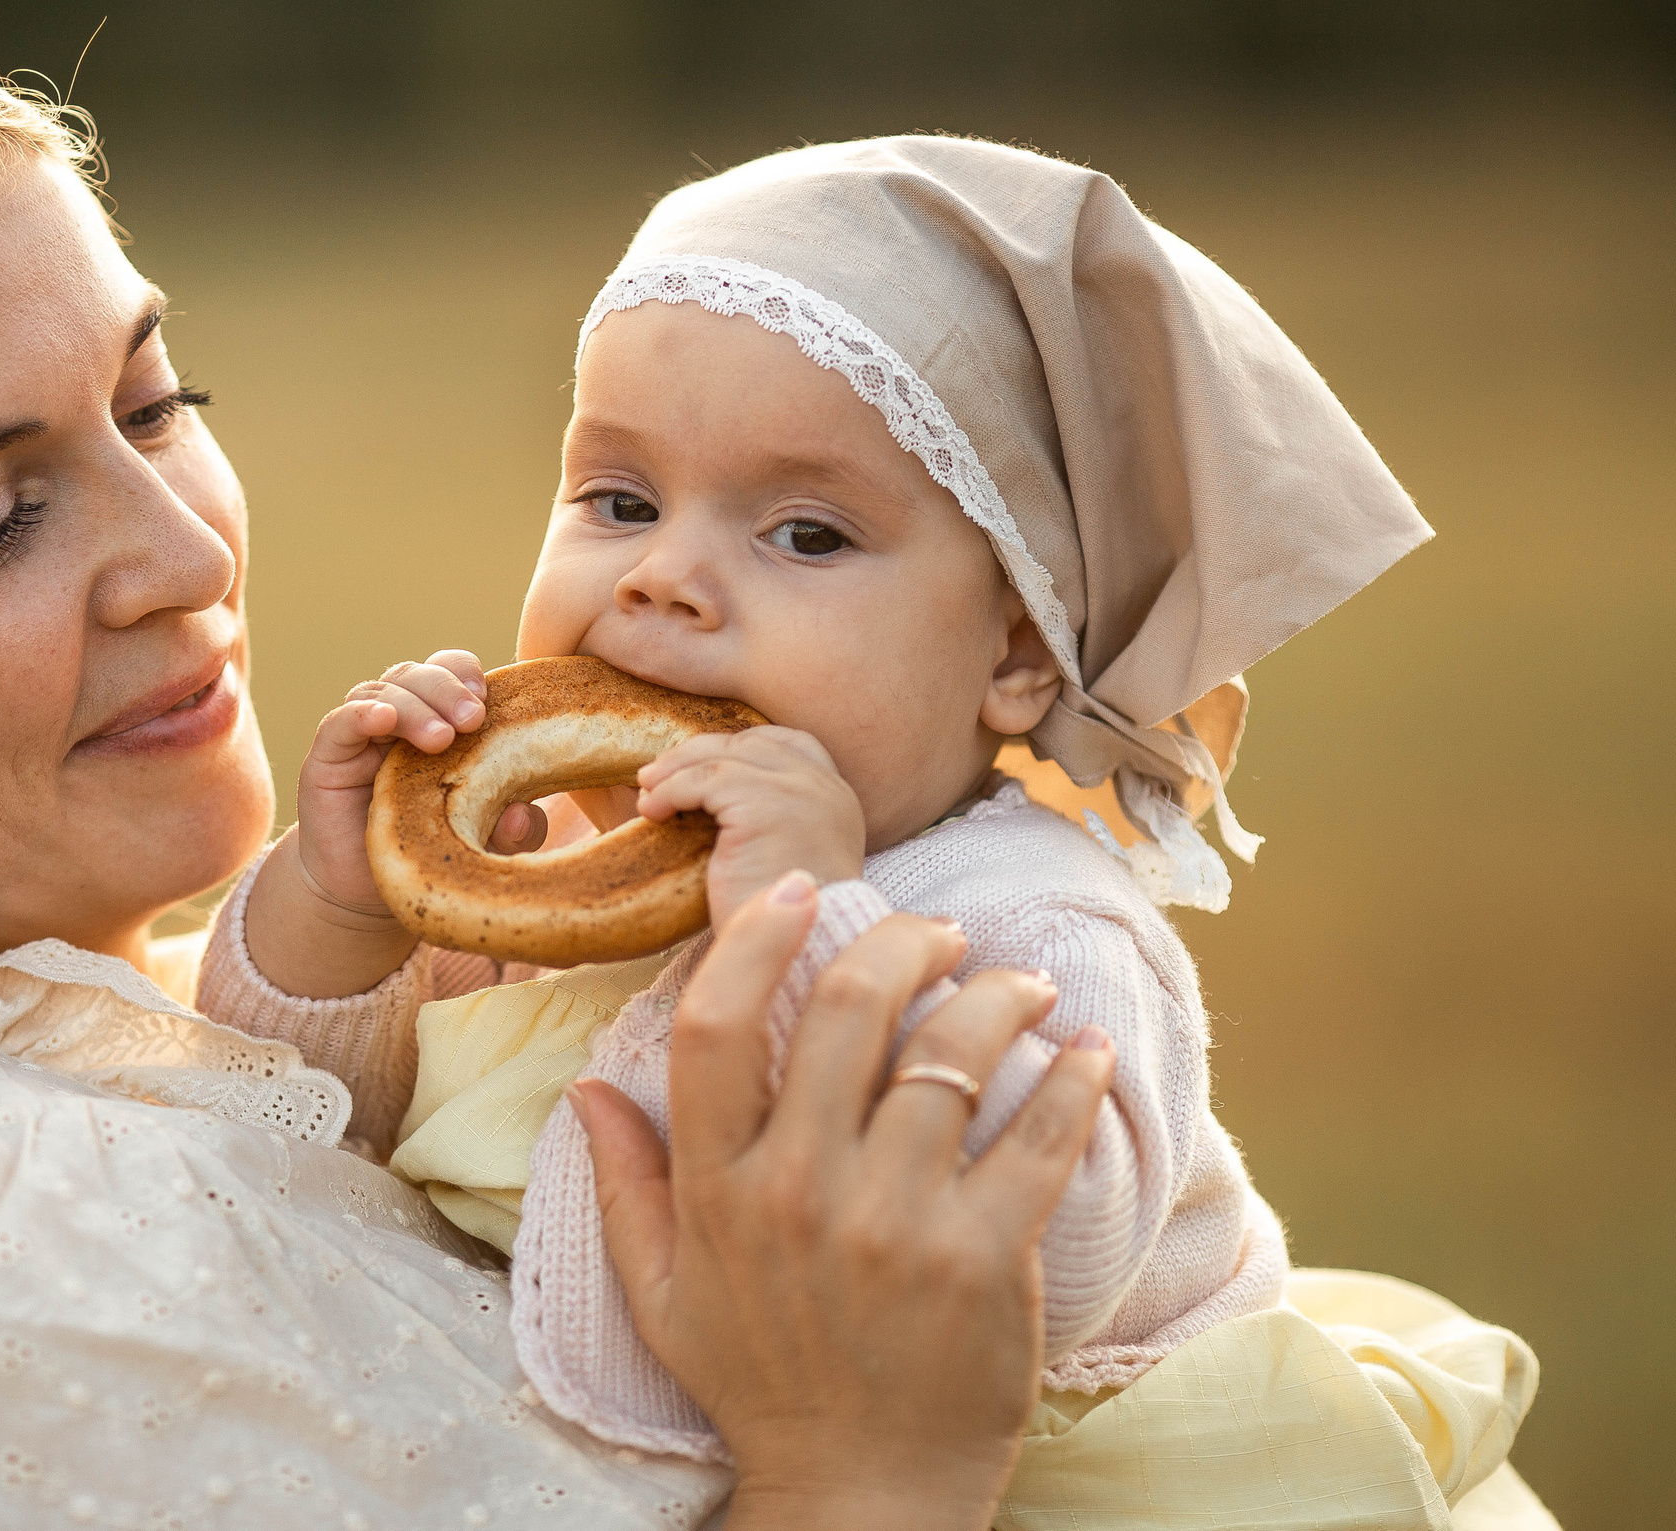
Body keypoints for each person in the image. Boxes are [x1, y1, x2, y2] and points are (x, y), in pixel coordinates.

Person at [0, 0, 1124, 1529]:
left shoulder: (36, 1061)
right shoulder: (32, 1250)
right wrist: (866, 1465)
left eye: (157, 403)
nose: (184, 553)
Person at [204, 138, 1556, 1526]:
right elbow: (291, 1133)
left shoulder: (1034, 921)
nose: (667, 577)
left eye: (805, 535)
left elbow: (1043, 1245)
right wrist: (343, 901)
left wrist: (812, 916)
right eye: (621, 503)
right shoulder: (562, 886)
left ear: (1015, 654)